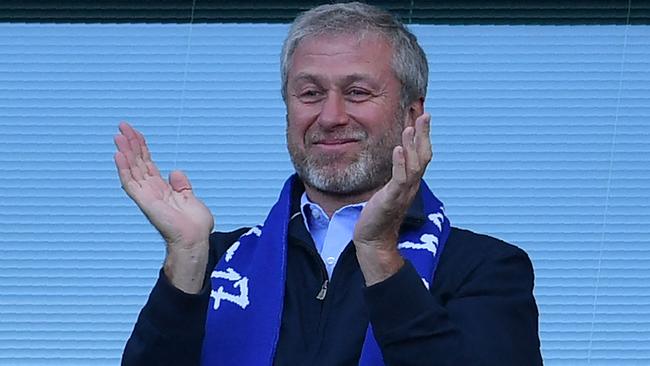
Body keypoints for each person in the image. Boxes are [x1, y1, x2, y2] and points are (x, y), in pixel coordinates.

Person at [116, 2, 542, 365]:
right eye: (310, 94)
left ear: (412, 114)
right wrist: (188, 259)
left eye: (357, 92)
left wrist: (380, 256)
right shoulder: (215, 264)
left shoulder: (484, 268)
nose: (331, 116)